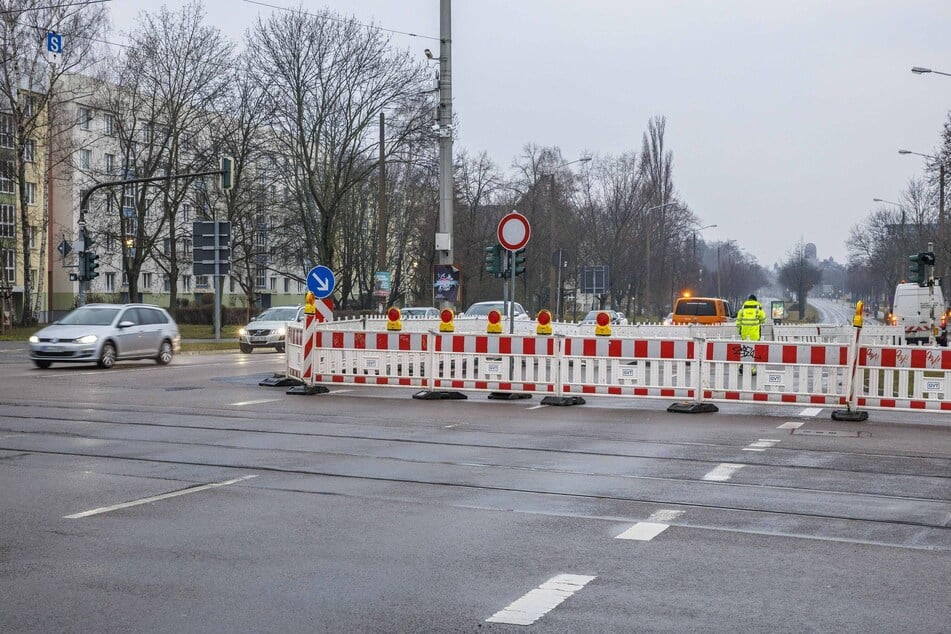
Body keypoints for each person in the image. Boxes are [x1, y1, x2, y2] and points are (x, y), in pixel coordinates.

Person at [736, 294, 766, 375]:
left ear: (749, 300)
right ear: (755, 300)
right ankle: (751, 369)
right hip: (754, 333)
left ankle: (741, 365)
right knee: (753, 352)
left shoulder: (742, 308)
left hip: (744, 333)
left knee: (745, 349)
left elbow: (738, 321)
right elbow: (763, 319)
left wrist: (740, 331)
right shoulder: (758, 308)